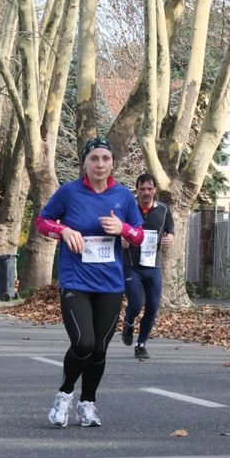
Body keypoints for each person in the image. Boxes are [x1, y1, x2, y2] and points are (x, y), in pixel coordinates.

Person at [36, 136, 144, 428]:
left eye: (105, 159)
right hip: (76, 282)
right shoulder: (69, 193)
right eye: (94, 159)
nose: (100, 164)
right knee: (83, 343)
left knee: (99, 350)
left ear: (112, 163)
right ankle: (65, 394)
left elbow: (140, 235)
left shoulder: (123, 196)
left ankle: (88, 403)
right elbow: (42, 221)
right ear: (85, 162)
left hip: (110, 284)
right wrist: (62, 230)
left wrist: (123, 228)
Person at [121, 172, 174, 359]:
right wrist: (121, 239)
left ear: (155, 190)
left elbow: (170, 231)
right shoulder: (128, 209)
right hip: (131, 265)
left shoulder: (163, 210)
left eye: (149, 189)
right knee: (135, 303)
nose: (146, 193)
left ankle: (141, 344)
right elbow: (116, 229)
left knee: (152, 306)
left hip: (152, 265)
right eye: (142, 189)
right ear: (136, 190)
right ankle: (128, 323)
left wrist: (169, 239)